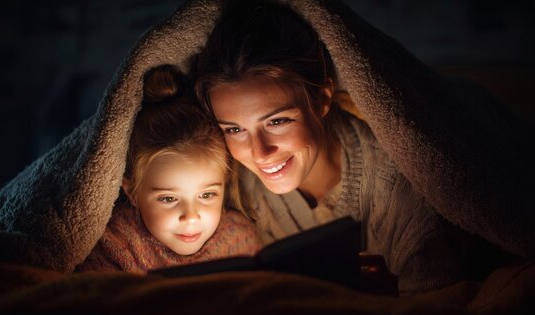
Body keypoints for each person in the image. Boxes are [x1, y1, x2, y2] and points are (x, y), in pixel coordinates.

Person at [193, 0, 516, 294]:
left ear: (321, 98)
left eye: (277, 121)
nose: (260, 152)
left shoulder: (401, 184)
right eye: (235, 129)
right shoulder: (237, 186)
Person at [76, 65, 262, 273]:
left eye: (207, 194)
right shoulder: (114, 246)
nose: (191, 216)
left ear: (224, 184)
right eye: (168, 198)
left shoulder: (239, 240)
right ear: (132, 192)